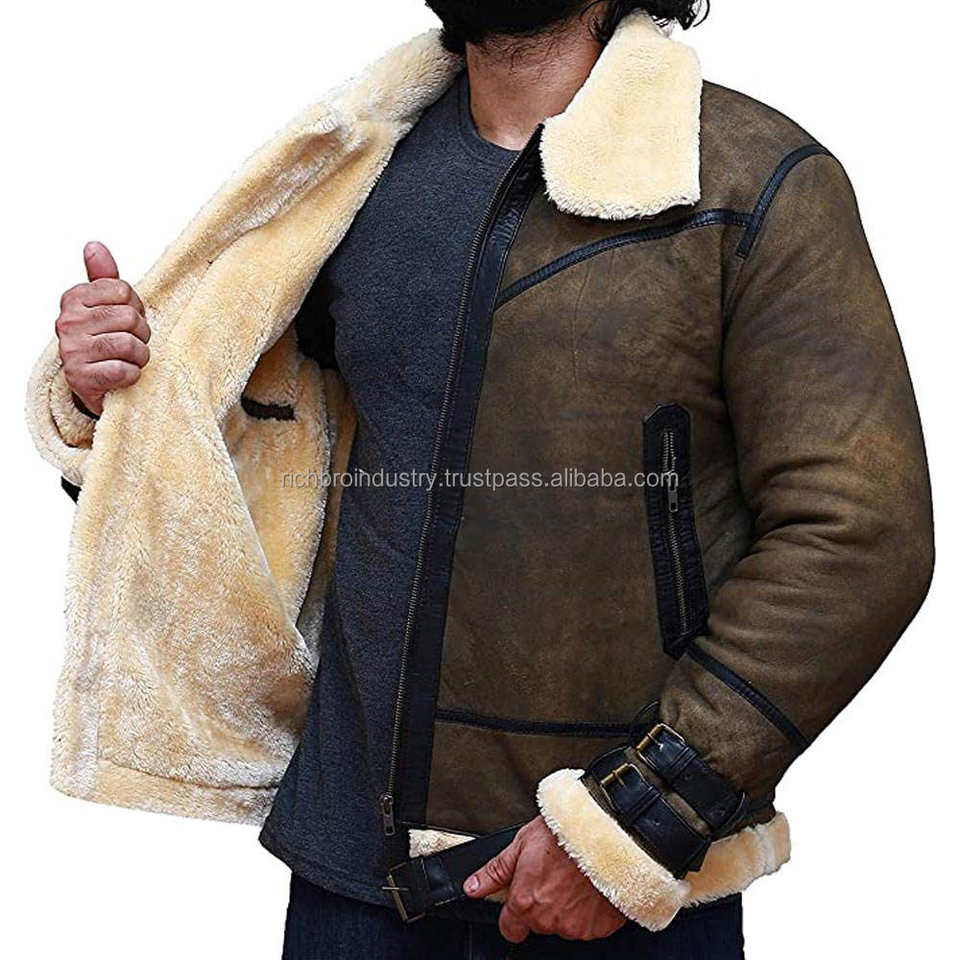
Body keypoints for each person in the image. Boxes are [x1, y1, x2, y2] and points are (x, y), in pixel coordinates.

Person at [28, 2, 933, 957]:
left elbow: (859, 536)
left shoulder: (750, 179)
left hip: (604, 880)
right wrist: (123, 395)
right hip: (350, 875)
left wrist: (638, 819)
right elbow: (267, 457)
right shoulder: (350, 165)